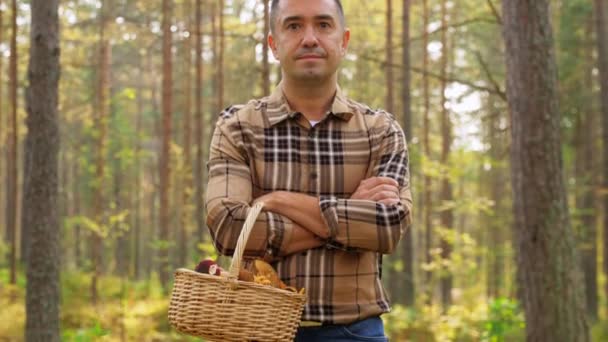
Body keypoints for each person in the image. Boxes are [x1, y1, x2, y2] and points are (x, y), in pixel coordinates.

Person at [205, 0, 412, 340]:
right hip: (253, 327)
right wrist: (348, 213)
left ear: (343, 41)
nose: (310, 38)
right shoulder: (238, 128)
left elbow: (387, 227)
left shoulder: (381, 130)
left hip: (355, 332)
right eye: (294, 26)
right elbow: (228, 227)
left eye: (323, 25)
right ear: (274, 44)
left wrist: (279, 200)